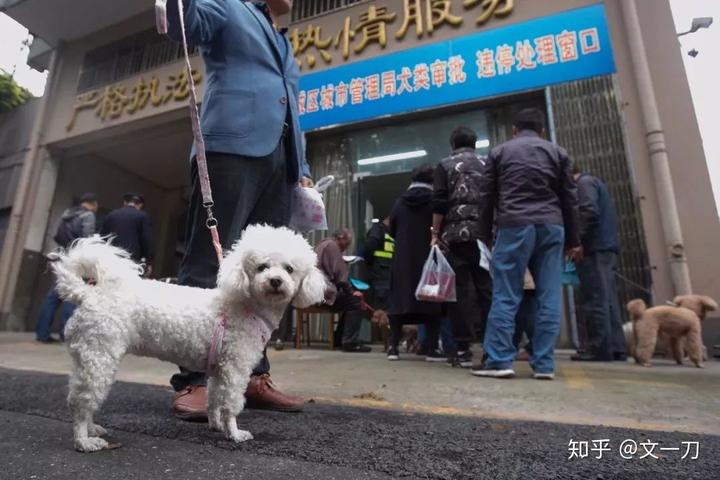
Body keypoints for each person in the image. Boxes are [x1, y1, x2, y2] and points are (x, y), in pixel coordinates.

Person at [165, 0, 312, 419]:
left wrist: (300, 167)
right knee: (207, 259)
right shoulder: (227, 5)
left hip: (279, 161)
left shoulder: (283, 39)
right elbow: (185, 22)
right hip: (230, 145)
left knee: (265, 274)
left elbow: (292, 109)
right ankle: (193, 379)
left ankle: (250, 374)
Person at [473, 108, 581, 379]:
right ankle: (544, 364)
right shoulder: (558, 153)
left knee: (506, 294)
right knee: (549, 295)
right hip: (552, 226)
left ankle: (499, 361)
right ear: (542, 131)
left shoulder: (499, 152)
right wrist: (574, 239)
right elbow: (570, 199)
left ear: (514, 130)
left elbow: (486, 196)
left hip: (514, 223)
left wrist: (483, 232)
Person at [432, 126, 493, 368]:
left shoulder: (445, 165)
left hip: (456, 236)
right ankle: (492, 347)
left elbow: (439, 201)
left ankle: (463, 349)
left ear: (452, 144)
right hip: (484, 236)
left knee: (460, 291)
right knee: (487, 289)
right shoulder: (487, 162)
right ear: (475, 144)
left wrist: (435, 233)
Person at [387, 165, 443, 362]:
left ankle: (393, 348)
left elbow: (391, 230)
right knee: (431, 301)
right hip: (428, 257)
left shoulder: (399, 203)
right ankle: (432, 349)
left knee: (399, 302)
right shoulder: (435, 201)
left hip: (403, 259)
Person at [571, 166, 626, 362]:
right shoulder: (595, 182)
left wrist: (578, 242)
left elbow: (589, 213)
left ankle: (598, 347)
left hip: (594, 248)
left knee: (595, 298)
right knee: (608, 298)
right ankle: (616, 347)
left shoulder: (583, 183)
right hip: (605, 247)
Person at [37, 193, 98, 343]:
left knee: (54, 296)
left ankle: (42, 333)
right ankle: (67, 335)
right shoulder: (88, 216)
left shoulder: (67, 214)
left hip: (61, 257)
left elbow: (58, 236)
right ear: (93, 203)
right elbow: (87, 240)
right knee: (72, 296)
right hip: (76, 260)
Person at [316, 229, 372, 353]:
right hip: (323, 293)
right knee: (356, 301)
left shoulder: (322, 244)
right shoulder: (332, 246)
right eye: (346, 243)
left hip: (315, 292)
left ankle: (339, 338)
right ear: (340, 238)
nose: (346, 247)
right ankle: (350, 342)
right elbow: (340, 275)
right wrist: (351, 291)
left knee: (348, 302)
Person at [100, 193, 154, 275]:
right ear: (140, 205)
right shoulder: (143, 216)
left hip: (110, 257)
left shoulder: (111, 215)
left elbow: (102, 237)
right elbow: (146, 240)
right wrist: (148, 262)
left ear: (124, 202)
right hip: (131, 260)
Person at [362, 217, 393, 309]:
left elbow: (368, 250)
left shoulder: (380, 231)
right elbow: (369, 248)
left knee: (381, 314)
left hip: (382, 279)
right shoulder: (379, 230)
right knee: (381, 314)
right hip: (382, 278)